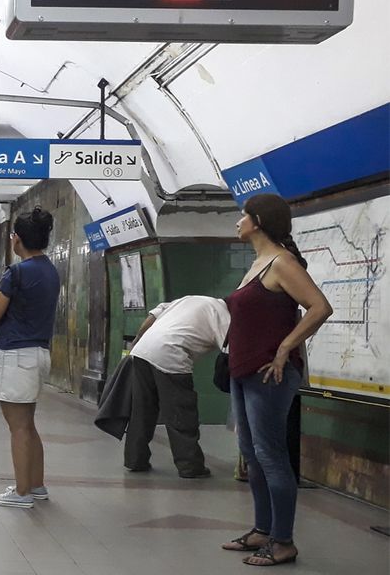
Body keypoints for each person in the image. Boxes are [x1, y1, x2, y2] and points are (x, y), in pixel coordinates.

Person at [220, 193, 332, 567]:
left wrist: (286, 347)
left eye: (243, 216)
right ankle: (263, 530)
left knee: (270, 454)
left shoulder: (282, 263)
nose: (238, 222)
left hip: (270, 372)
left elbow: (320, 306)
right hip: (243, 369)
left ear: (258, 221)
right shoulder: (258, 264)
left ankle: (283, 541)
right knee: (252, 454)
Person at [0, 207, 60, 509]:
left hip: (17, 354)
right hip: (39, 353)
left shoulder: (18, 272)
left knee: (18, 426)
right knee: (29, 424)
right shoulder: (50, 270)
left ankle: (21, 492)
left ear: (17, 239)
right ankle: (36, 486)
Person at [124, 296, 230, 478]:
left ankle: (135, 459)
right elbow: (229, 353)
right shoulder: (224, 315)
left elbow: (153, 315)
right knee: (181, 411)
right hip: (171, 354)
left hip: (142, 352)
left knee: (142, 409)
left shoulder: (188, 300)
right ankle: (190, 466)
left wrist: (138, 340)